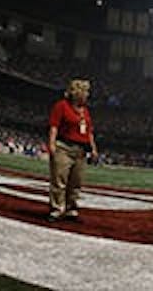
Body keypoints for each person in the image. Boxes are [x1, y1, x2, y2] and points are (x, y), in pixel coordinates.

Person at [47, 78, 98, 222]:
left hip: (81, 150)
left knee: (76, 182)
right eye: (85, 91)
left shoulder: (85, 111)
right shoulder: (62, 106)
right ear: (77, 93)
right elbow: (54, 126)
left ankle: (71, 209)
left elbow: (89, 132)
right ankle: (57, 209)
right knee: (59, 180)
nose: (87, 95)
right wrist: (51, 144)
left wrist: (93, 149)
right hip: (64, 147)